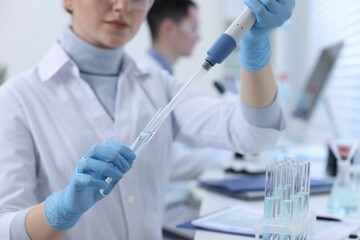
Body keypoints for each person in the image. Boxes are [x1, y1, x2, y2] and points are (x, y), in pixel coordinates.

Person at [0, 0, 294, 239]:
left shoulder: (158, 86)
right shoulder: (18, 98)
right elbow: (5, 227)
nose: (123, 6)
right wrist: (61, 209)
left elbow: (257, 135)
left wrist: (256, 49)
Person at [144, 1, 232, 239]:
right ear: (169, 28)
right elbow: (163, 158)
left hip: (176, 199)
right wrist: (222, 159)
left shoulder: (164, 78)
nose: (198, 36)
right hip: (164, 210)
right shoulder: (147, 81)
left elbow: (183, 137)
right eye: (193, 28)